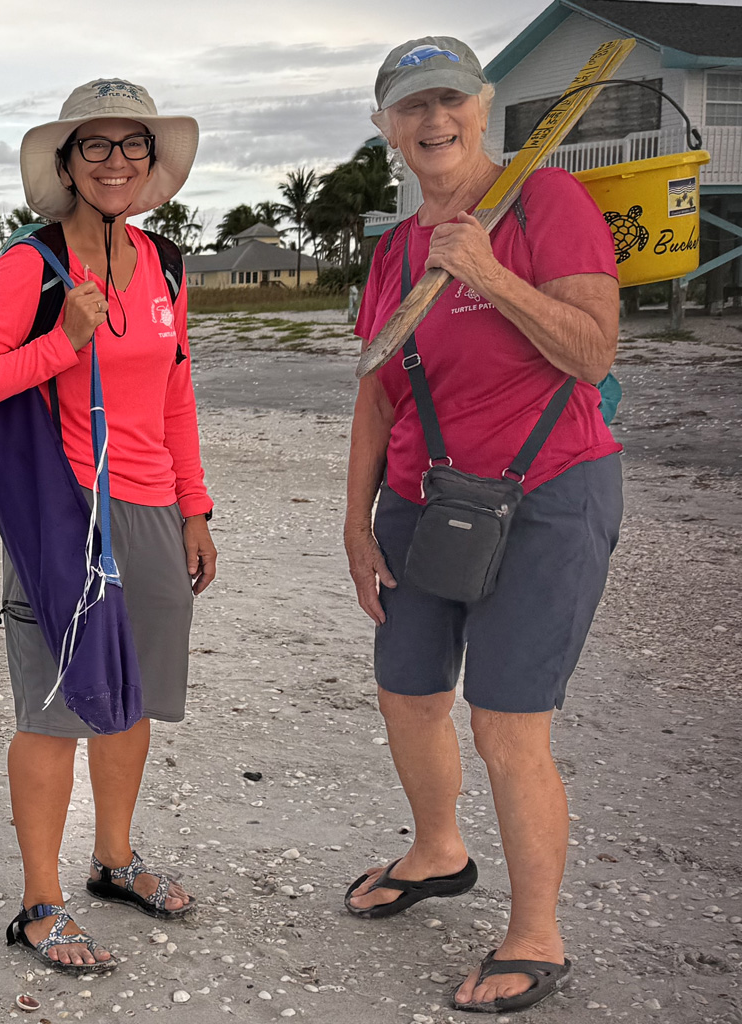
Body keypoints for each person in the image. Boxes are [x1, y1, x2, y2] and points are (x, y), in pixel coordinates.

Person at [343, 38, 622, 1014]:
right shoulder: (390, 251)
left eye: (449, 100)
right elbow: (377, 393)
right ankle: (437, 850)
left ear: (483, 104)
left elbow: (592, 355)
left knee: (508, 723)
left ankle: (536, 933)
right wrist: (356, 522)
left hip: (549, 491)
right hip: (423, 499)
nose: (432, 122)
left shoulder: (546, 204)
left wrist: (491, 273)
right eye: (410, 108)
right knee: (406, 691)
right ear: (387, 126)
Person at [0, 78, 216, 974]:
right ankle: (40, 902)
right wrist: (64, 338)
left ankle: (114, 861)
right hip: (67, 520)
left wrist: (195, 508)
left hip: (153, 510)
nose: (115, 162)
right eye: (94, 146)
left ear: (152, 162)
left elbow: (175, 391)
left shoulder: (166, 262)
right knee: (54, 712)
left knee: (131, 702)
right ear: (66, 165)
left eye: (132, 145)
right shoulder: (34, 265)